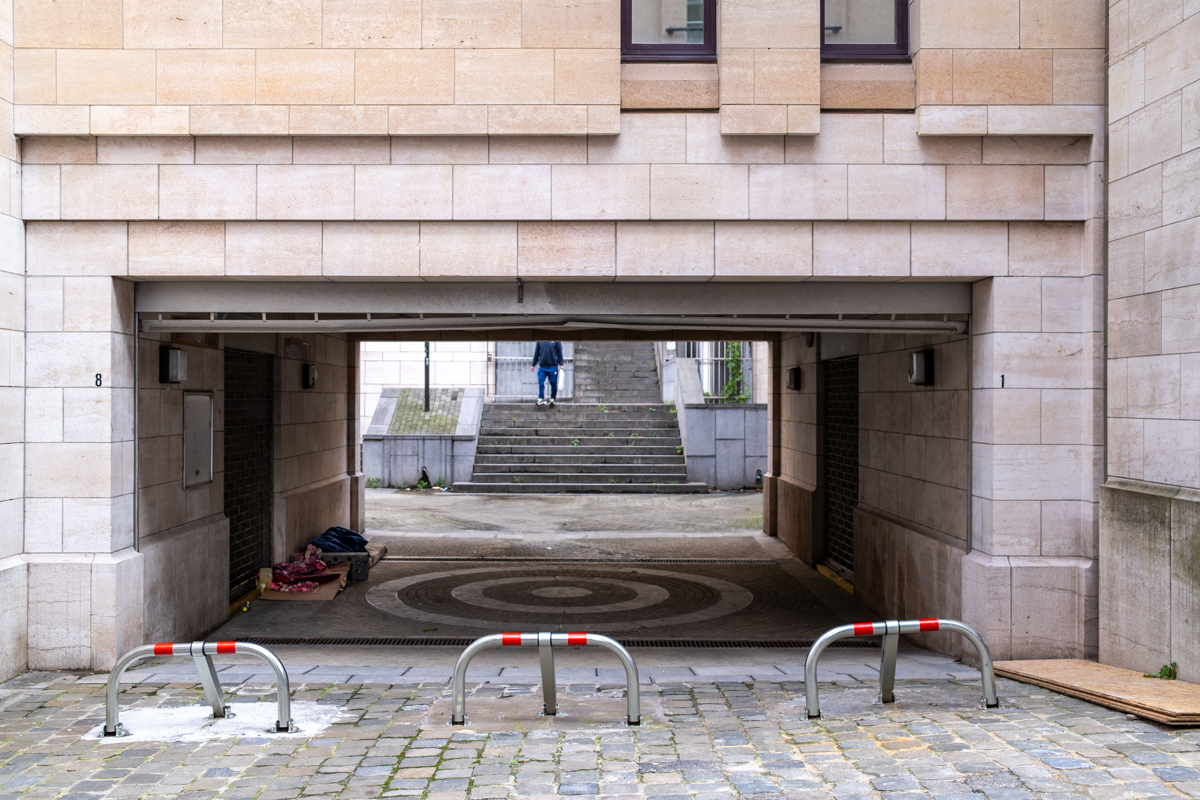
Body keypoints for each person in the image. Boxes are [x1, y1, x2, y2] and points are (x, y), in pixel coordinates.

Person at [530, 341, 564, 406]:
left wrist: (561, 364)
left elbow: (559, 352)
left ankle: (552, 398)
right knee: (541, 383)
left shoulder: (556, 340)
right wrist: (533, 364)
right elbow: (536, 353)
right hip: (542, 367)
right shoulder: (540, 341)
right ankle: (541, 398)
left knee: (553, 383)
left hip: (553, 366)